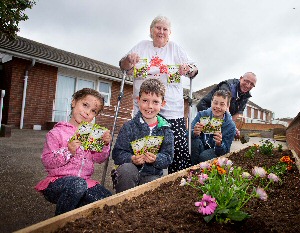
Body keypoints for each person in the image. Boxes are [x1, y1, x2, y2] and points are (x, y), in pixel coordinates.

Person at [119, 15, 198, 174]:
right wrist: (128, 60)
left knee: (177, 149)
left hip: (171, 109)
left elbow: (194, 70)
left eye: (165, 29)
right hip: (144, 108)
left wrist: (187, 69)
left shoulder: (175, 48)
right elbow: (123, 67)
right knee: (142, 147)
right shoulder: (142, 46)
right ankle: (142, 179)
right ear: (151, 30)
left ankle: (178, 181)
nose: (161, 31)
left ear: (170, 32)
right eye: (158, 28)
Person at [35, 88, 112, 216]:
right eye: (85, 105)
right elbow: (47, 161)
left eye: (93, 111)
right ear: (74, 102)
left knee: (107, 199)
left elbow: (100, 158)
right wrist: (68, 151)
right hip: (57, 183)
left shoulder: (92, 134)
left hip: (85, 182)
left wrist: (104, 144)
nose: (87, 112)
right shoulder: (56, 133)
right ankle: (60, 224)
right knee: (77, 185)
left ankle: (79, 216)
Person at [111, 78, 174, 193]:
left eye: (155, 102)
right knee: (126, 169)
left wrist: (156, 159)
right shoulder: (128, 127)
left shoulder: (166, 130)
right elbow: (117, 154)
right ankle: (122, 203)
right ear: (138, 100)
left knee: (155, 187)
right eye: (145, 100)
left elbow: (168, 157)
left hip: (152, 175)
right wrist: (131, 159)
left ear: (163, 104)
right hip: (129, 173)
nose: (149, 106)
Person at [196, 72, 256, 138]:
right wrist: (231, 126)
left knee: (219, 139)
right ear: (241, 78)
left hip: (220, 116)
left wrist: (232, 126)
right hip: (206, 109)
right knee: (207, 137)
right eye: (246, 81)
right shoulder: (228, 86)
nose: (248, 85)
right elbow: (224, 107)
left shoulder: (246, 96)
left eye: (252, 84)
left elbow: (237, 114)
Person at [191, 90, 236, 165]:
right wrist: (194, 132)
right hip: (201, 147)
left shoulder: (231, 126)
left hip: (216, 151)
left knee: (204, 156)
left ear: (227, 107)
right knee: (194, 142)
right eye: (215, 103)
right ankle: (193, 169)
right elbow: (187, 134)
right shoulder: (201, 115)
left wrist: (219, 144)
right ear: (211, 102)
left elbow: (226, 150)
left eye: (222, 104)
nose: (217, 106)